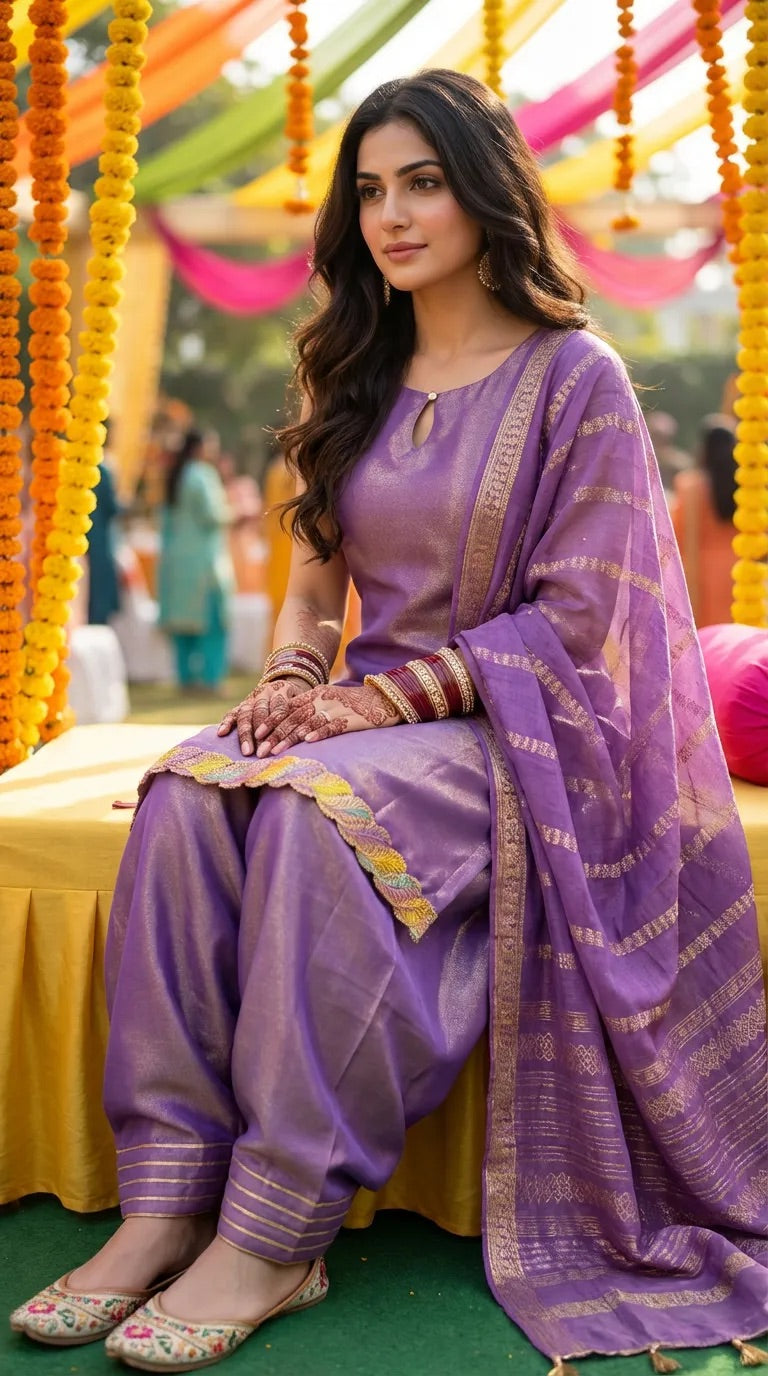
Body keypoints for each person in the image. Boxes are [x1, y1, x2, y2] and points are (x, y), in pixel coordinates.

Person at [11, 70, 766, 1374]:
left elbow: (584, 620)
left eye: (422, 181)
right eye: (370, 190)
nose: (393, 215)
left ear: (484, 190)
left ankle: (275, 1233)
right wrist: (294, 682)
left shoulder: (572, 377)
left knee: (315, 815)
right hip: (369, 726)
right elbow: (314, 587)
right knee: (190, 794)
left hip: (526, 739)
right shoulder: (351, 364)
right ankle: (162, 1206)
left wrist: (383, 697)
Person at [157, 426, 234, 695]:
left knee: (183, 624)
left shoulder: (175, 476)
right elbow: (213, 515)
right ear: (200, 447)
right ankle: (211, 679)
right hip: (204, 561)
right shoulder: (202, 474)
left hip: (177, 561)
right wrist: (238, 511)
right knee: (212, 620)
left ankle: (186, 679)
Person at [670, 376, 738, 627]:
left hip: (701, 577)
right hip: (741, 574)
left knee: (710, 650)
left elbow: (677, 536)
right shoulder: (745, 485)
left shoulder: (691, 486)